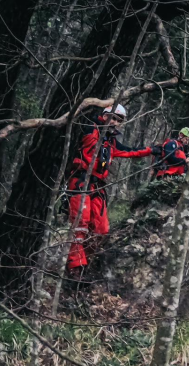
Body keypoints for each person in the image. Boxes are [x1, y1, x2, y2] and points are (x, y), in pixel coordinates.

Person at [66, 104, 154, 278]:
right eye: (112, 117)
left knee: (101, 229)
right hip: (80, 182)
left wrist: (153, 150)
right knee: (81, 225)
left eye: (118, 120)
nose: (114, 122)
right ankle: (75, 268)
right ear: (104, 115)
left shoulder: (111, 141)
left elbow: (131, 152)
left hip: (98, 186)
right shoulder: (90, 129)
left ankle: (85, 264)